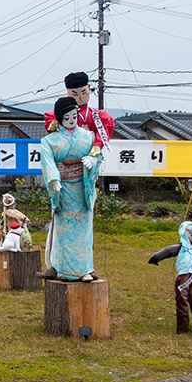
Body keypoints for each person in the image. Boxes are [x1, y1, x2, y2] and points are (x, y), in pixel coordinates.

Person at [37, 96, 101, 282]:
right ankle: (63, 270)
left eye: (75, 115)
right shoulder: (49, 140)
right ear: (59, 118)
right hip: (63, 190)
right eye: (67, 117)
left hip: (83, 188)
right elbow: (47, 162)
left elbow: (98, 155)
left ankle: (85, 269)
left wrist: (93, 160)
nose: (72, 120)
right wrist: (53, 179)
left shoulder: (87, 136)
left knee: (84, 231)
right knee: (64, 232)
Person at [148, 220, 192, 333]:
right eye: (188, 231)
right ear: (183, 232)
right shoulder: (181, 248)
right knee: (182, 302)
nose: (191, 234)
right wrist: (156, 258)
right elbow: (168, 251)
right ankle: (182, 328)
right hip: (182, 278)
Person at [42, 71, 117, 155]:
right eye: (75, 94)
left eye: (84, 93)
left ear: (89, 88)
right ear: (68, 93)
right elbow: (51, 121)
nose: (81, 97)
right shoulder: (60, 114)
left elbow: (105, 129)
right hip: (67, 155)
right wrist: (53, 125)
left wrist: (98, 145)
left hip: (90, 155)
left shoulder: (98, 116)